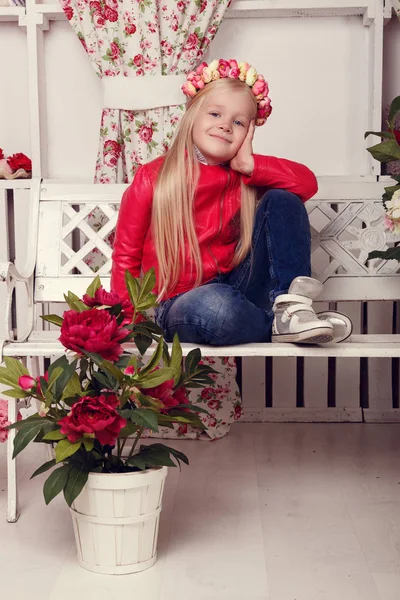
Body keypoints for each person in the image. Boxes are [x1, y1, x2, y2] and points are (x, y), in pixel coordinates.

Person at [111, 58, 352, 346]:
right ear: (191, 115)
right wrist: (127, 324)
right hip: (179, 304)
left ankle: (290, 311)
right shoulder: (153, 178)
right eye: (214, 113)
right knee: (216, 306)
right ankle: (283, 327)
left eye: (238, 122)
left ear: (249, 132)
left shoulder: (245, 177)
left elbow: (307, 184)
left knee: (283, 199)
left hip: (240, 287)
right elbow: (125, 256)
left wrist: (250, 165)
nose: (225, 126)